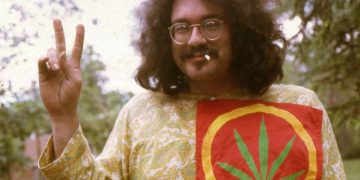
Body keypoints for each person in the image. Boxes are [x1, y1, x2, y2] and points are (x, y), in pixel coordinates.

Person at [37, 0, 346, 179]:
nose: (196, 40)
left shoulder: (301, 106)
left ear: (239, 30)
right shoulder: (140, 114)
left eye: (211, 24)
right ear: (165, 39)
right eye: (182, 28)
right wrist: (63, 116)